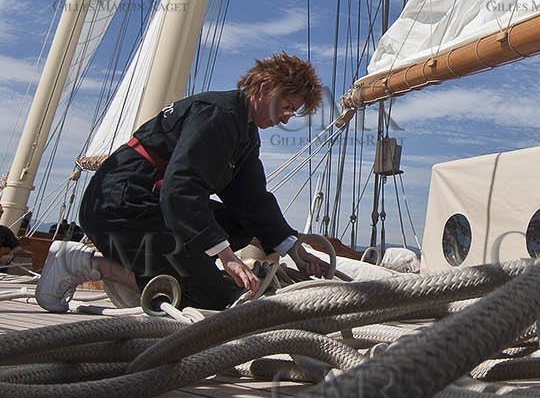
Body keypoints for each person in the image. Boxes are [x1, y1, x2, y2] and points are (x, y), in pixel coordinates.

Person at [36, 53, 331, 313]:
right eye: (287, 106)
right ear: (266, 88)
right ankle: (83, 263)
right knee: (214, 296)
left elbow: (251, 199)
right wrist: (227, 257)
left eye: (292, 112)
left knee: (242, 224)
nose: (285, 118)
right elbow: (182, 189)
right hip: (120, 208)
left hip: (152, 205)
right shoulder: (218, 114)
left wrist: (294, 248)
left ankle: (180, 269)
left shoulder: (243, 131)